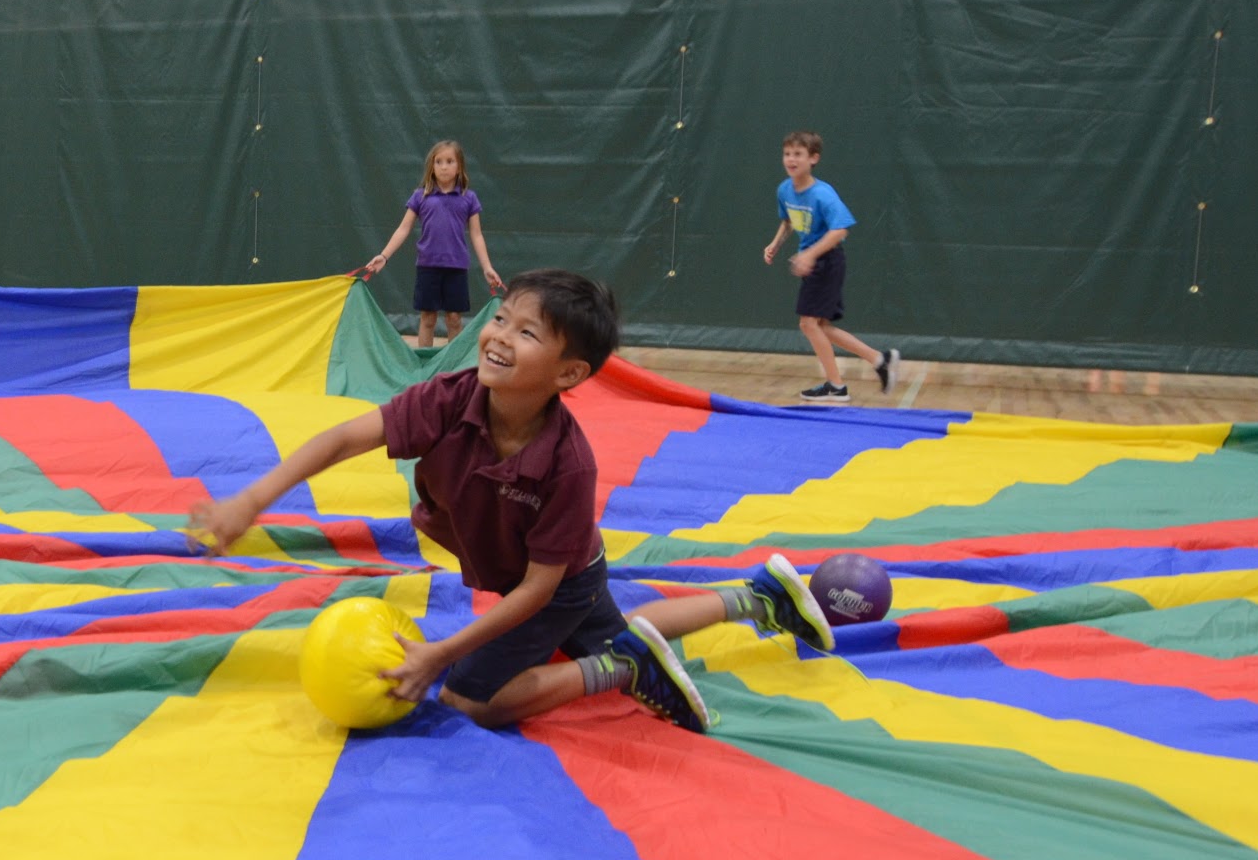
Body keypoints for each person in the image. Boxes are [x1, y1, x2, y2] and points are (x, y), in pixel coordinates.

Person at [186, 268, 837, 732]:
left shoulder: (566, 462)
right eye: (501, 318)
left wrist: (444, 655)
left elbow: (536, 592)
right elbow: (340, 440)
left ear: (569, 373)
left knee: (474, 699)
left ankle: (618, 671)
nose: (498, 335)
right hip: (564, 572)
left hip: (558, 582)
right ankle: (756, 598)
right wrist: (252, 500)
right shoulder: (446, 398)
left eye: (527, 333)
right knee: (611, 632)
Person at [762, 130, 899, 402]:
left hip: (827, 262)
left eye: (798, 154)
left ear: (813, 158)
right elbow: (789, 220)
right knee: (820, 326)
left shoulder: (823, 194)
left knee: (808, 324)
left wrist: (810, 255)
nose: (791, 159)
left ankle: (836, 385)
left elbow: (840, 230)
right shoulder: (785, 189)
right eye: (787, 154)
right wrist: (775, 243)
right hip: (812, 262)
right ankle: (879, 360)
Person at [364, 140, 504, 348]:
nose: (444, 166)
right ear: (432, 166)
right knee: (427, 318)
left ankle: (451, 369)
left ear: (459, 167)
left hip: (456, 268)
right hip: (427, 266)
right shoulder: (421, 196)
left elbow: (476, 235)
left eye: (449, 161)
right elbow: (403, 229)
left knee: (454, 319)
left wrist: (487, 268)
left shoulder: (469, 198)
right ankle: (425, 366)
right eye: (438, 162)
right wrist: (384, 256)